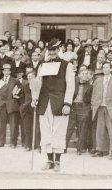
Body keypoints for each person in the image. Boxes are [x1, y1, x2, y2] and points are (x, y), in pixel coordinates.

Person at [33, 38, 75, 172]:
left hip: (59, 103)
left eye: (55, 49)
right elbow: (38, 83)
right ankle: (49, 160)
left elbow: (71, 86)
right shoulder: (42, 65)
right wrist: (35, 97)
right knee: (45, 131)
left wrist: (67, 103)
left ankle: (57, 161)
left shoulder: (66, 65)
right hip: (44, 103)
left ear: (59, 50)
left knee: (58, 131)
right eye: (50, 50)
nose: (52, 52)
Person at [91, 62, 112, 159]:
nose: (105, 69)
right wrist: (93, 104)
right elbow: (94, 94)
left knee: (111, 129)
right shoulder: (98, 80)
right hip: (99, 107)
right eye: (104, 67)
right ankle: (99, 150)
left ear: (111, 69)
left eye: (107, 67)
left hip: (110, 108)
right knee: (100, 129)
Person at [65, 68, 92, 155]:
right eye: (83, 73)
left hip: (84, 107)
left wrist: (88, 108)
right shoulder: (73, 84)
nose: (84, 75)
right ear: (79, 75)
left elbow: (91, 98)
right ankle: (63, 147)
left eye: (86, 74)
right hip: (73, 106)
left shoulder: (90, 85)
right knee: (69, 127)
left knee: (82, 128)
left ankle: (80, 149)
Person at [0, 64, 21, 148]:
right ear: (2, 71)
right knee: (2, 123)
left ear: (10, 71)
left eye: (8, 70)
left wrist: (15, 99)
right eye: (5, 70)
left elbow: (19, 91)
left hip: (12, 104)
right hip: (2, 104)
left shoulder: (15, 80)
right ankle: (1, 141)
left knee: (13, 124)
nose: (6, 72)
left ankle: (13, 142)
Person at [19, 70, 35, 151]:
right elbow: (22, 96)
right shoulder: (25, 85)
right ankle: (28, 144)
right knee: (27, 127)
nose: (29, 78)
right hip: (27, 109)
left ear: (34, 77)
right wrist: (23, 105)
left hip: (35, 109)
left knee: (36, 128)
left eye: (31, 77)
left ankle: (36, 145)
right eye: (28, 77)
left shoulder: (38, 85)